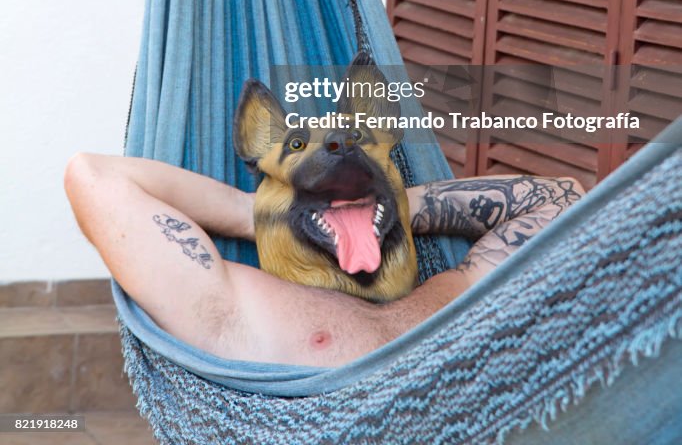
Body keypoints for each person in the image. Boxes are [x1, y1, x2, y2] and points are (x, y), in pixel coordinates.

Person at [64, 153, 583, 367]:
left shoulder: (450, 288)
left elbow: (561, 199)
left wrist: (385, 208)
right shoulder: (234, 310)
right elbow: (92, 177)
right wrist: (260, 215)